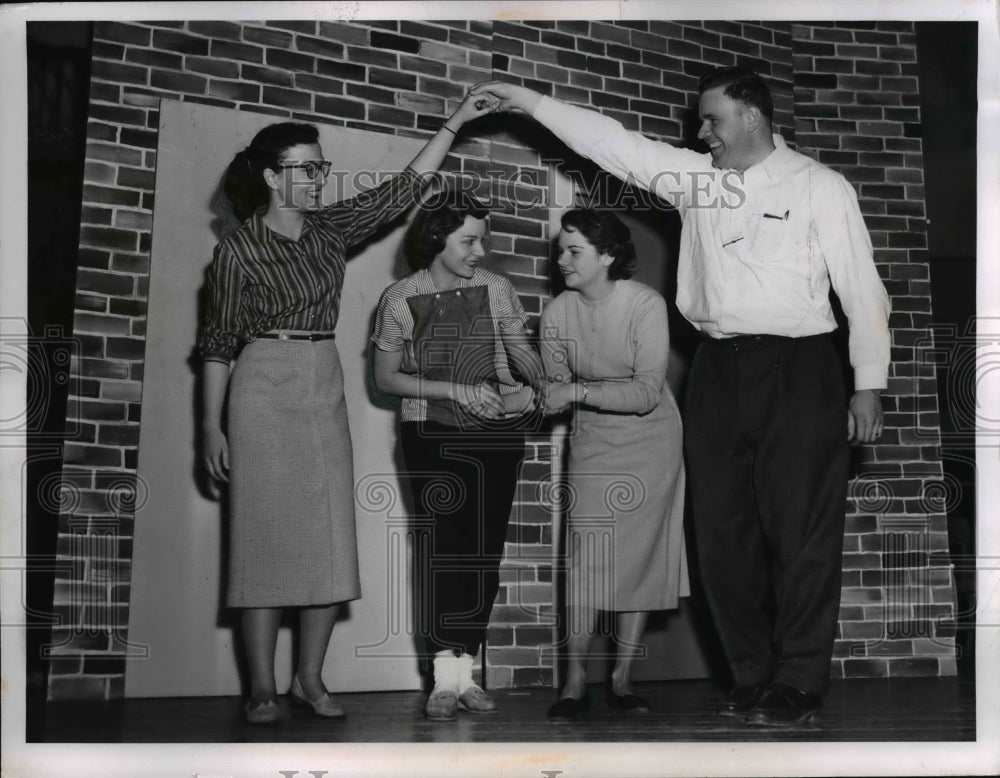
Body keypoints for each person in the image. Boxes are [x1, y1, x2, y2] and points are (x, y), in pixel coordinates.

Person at [471, 67, 890, 727]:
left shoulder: (820, 186)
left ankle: (799, 681)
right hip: (715, 369)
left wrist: (868, 382)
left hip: (801, 367)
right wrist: (527, 101)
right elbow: (610, 143)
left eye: (711, 120)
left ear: (751, 115)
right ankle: (752, 677)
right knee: (721, 534)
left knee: (801, 532)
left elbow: (863, 289)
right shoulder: (696, 179)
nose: (701, 133)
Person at [197, 93, 494, 724]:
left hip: (321, 378)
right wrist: (210, 427)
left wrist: (455, 122)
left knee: (330, 539)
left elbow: (402, 190)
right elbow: (218, 347)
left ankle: (309, 678)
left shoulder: (330, 230)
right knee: (263, 541)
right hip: (261, 382)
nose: (318, 178)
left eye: (321, 168)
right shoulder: (237, 251)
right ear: (272, 176)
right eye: (306, 168)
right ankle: (262, 688)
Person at [371, 190, 544, 721]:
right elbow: (386, 378)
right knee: (445, 550)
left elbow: (523, 360)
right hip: (432, 433)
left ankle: (464, 675)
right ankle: (443, 681)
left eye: (482, 240)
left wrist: (525, 391)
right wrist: (455, 390)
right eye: (468, 240)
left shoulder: (496, 288)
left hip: (494, 434)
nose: (479, 251)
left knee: (482, 554)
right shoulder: (400, 296)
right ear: (435, 238)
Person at [539, 209, 688, 721]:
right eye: (561, 250)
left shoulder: (645, 304)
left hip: (651, 441)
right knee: (586, 558)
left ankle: (623, 677)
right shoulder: (558, 312)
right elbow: (553, 388)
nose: (562, 260)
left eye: (573, 251)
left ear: (608, 256)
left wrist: (574, 390)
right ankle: (575, 678)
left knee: (639, 559)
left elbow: (647, 391)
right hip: (594, 442)